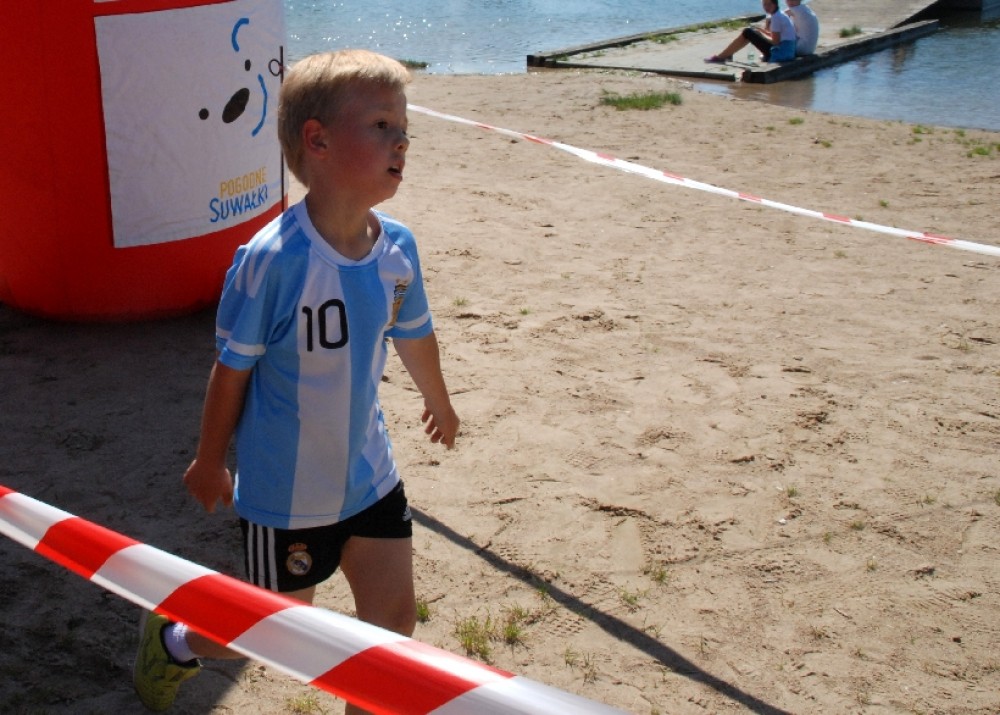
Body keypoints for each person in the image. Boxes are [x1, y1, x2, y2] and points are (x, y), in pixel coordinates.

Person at [133, 49, 460, 713]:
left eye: (404, 128)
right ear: (317, 140)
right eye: (381, 126)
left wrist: (439, 401)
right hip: (286, 497)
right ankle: (175, 641)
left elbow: (414, 333)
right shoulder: (271, 261)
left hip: (370, 477)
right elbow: (232, 369)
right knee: (270, 635)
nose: (401, 141)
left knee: (392, 628)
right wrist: (209, 459)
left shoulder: (398, 248)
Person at [705, 0, 797, 64]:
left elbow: (775, 42)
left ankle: (722, 56)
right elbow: (778, 37)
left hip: (781, 54)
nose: (766, 7)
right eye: (764, 4)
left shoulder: (776, 18)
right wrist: (761, 31)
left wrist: (760, 34)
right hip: (788, 52)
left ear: (775, 4)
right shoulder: (780, 14)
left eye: (769, 4)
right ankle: (728, 54)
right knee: (752, 32)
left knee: (747, 32)